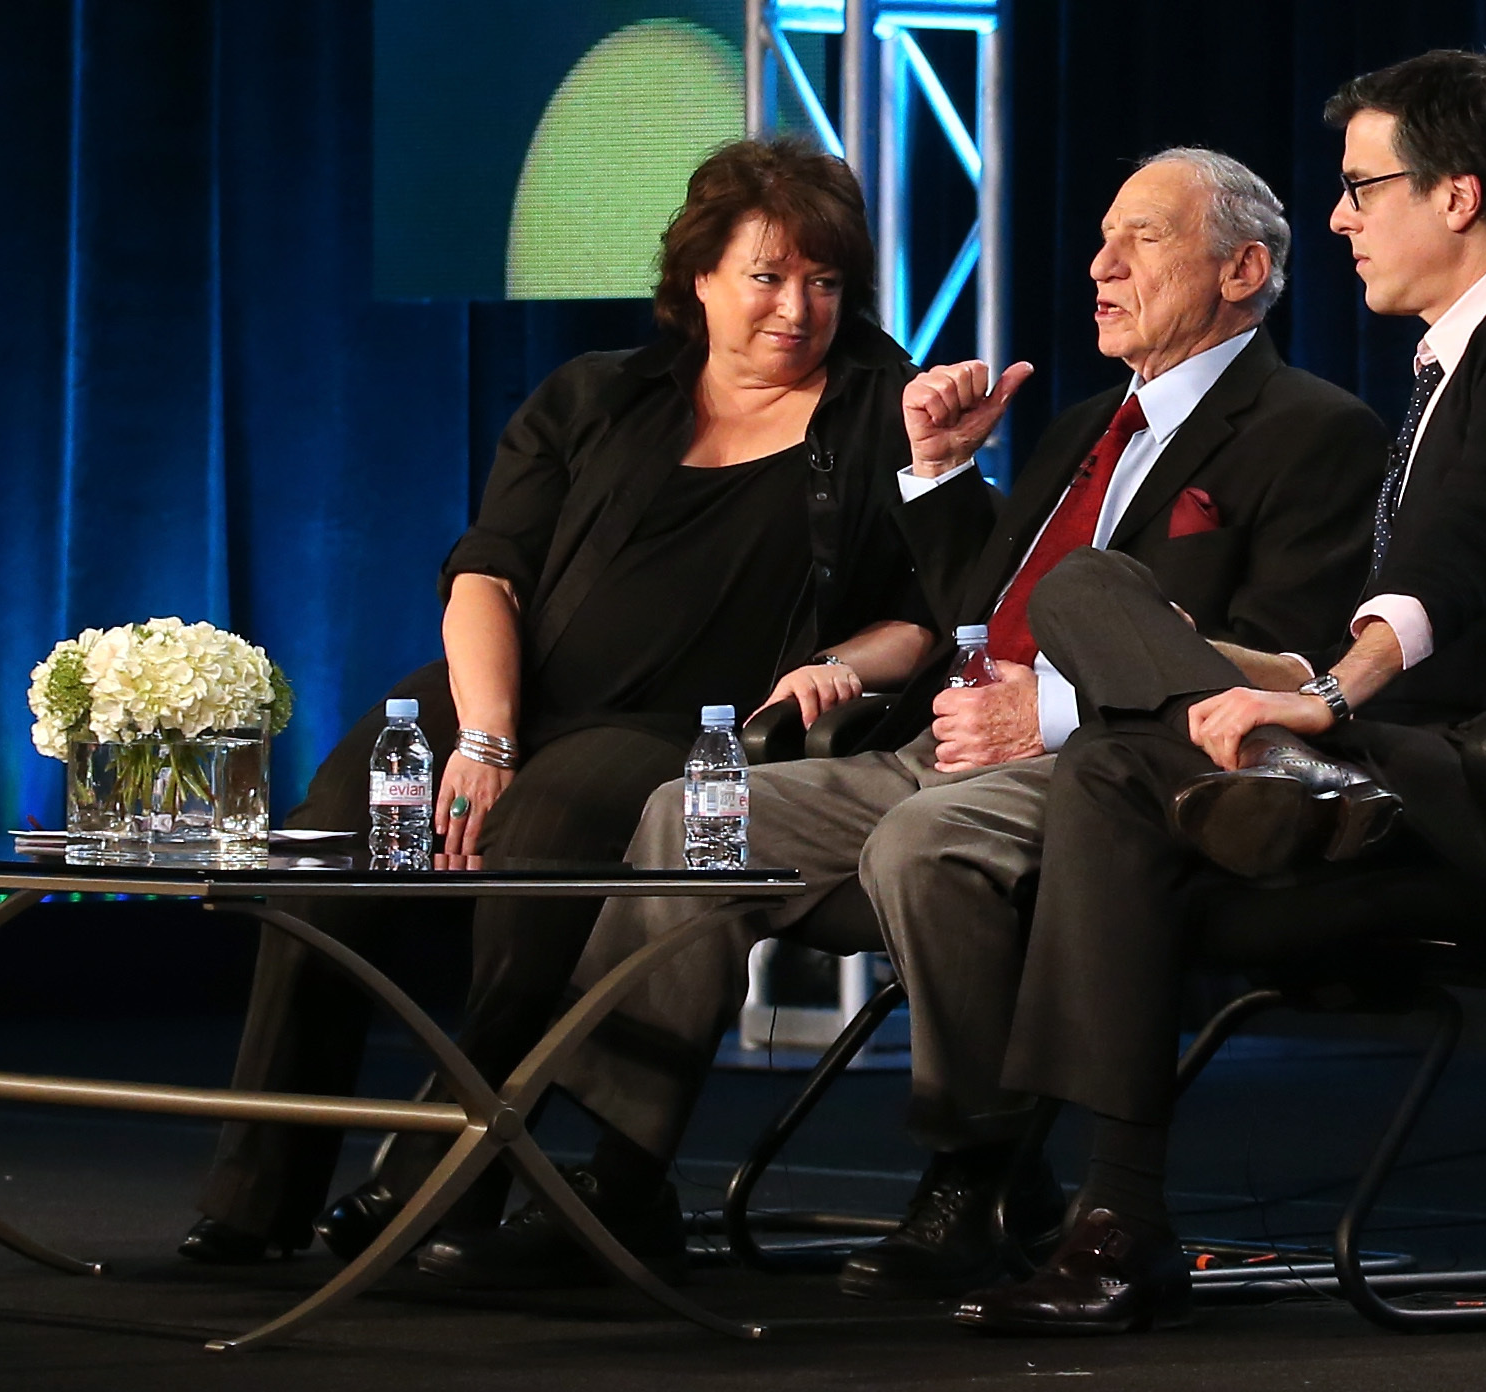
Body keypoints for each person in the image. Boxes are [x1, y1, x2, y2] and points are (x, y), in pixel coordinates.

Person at [415, 148, 1387, 1295]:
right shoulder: (1087, 424)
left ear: (1245, 269)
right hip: (947, 744)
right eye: (1102, 237)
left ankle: (972, 1179)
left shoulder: (1313, 431)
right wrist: (936, 472)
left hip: (1116, 768)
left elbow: (1268, 669)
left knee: (926, 844)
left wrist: (1053, 713)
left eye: (1142, 240)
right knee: (690, 811)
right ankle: (621, 1176)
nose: (1100, 264)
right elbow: (974, 612)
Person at [954, 50, 1486, 1335]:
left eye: (1364, 188)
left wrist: (1332, 702)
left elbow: (1453, 566)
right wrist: (1244, 672)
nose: (1339, 219)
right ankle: (1283, 782)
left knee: (1119, 768)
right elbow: (1375, 618)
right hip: (1399, 759)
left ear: (1456, 196)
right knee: (1084, 597)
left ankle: (1114, 1219)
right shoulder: (1448, 362)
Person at [178, 138, 939, 1264]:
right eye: (767, 276)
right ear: (698, 279)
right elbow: (487, 574)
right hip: (517, 692)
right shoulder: (595, 396)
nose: (797, 308)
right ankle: (256, 1196)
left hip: (697, 731)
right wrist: (484, 733)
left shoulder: (886, 416)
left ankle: (453, 1167)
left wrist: (850, 665)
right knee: (326, 858)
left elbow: (930, 611)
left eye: (824, 282)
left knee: (549, 830)